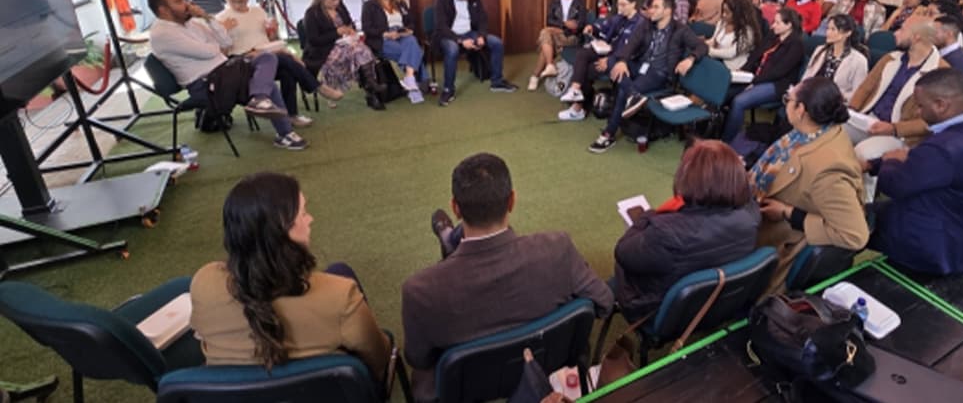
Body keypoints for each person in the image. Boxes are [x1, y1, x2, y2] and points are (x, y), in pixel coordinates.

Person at [405, 154, 613, 402]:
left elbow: (419, 358)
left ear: (455, 208)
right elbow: (604, 301)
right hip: (541, 364)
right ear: (512, 200)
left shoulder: (420, 290)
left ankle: (452, 242)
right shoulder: (558, 249)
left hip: (467, 386)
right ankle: (452, 241)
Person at [189, 173, 390, 384]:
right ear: (282, 233)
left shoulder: (203, 282)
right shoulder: (340, 297)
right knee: (340, 271)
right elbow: (380, 359)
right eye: (303, 214)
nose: (310, 219)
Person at [864, 69, 963, 275]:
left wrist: (889, 161)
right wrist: (876, 164)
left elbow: (894, 185)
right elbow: (921, 165)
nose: (917, 112)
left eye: (920, 105)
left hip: (936, 244)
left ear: (941, 105)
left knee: (848, 220)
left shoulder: (946, 148)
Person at [614, 140, 761, 321]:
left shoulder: (664, 233)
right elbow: (746, 196)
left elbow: (622, 252)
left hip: (661, 311)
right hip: (719, 304)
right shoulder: (752, 216)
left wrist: (648, 216)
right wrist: (732, 170)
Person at [147, 0, 307, 150]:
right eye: (179, 2)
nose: (187, 4)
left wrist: (207, 18)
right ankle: (282, 129)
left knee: (268, 57)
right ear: (163, 10)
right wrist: (214, 47)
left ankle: (261, 101)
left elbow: (225, 41)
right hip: (206, 84)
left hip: (225, 72)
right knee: (268, 83)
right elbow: (207, 52)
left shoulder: (191, 23)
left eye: (184, 0)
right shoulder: (162, 33)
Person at [753, 77, 869, 294]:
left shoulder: (827, 170)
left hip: (780, 238)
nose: (785, 103)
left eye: (788, 99)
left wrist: (789, 213)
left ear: (801, 110)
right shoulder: (815, 131)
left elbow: (855, 235)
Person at [588, 0, 707, 153]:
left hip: (660, 73)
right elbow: (630, 45)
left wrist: (690, 59)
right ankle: (634, 95)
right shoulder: (646, 25)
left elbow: (702, 47)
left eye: (656, 7)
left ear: (668, 10)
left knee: (623, 91)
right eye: (651, 7)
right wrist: (622, 61)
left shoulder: (680, 30)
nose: (651, 11)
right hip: (640, 66)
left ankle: (608, 134)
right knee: (611, 62)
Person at [217, 0, 342, 126]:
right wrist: (223, 32)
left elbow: (271, 40)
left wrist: (273, 32)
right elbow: (221, 54)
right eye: (232, 1)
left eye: (241, 1)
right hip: (242, 63)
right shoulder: (220, 19)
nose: (236, 5)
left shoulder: (258, 12)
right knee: (285, 60)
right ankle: (318, 87)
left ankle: (291, 114)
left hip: (268, 55)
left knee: (287, 70)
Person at [846, 18, 947, 200]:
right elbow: (865, 88)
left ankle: (863, 208)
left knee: (864, 153)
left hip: (901, 135)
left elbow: (932, 121)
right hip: (869, 120)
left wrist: (893, 128)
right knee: (828, 130)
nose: (895, 33)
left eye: (901, 30)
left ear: (916, 37)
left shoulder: (940, 72)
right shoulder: (890, 58)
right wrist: (851, 112)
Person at [721, 8, 807, 142]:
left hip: (778, 84)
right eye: (774, 22)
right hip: (757, 77)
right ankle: (717, 130)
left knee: (739, 101)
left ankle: (727, 142)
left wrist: (754, 82)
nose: (773, 26)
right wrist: (743, 70)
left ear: (789, 25)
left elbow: (779, 71)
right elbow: (756, 54)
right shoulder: (773, 36)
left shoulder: (797, 44)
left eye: (778, 23)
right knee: (724, 92)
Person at [434, 0, 518, 106]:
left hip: (469, 32)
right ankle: (448, 89)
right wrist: (460, 40)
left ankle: (497, 82)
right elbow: (441, 27)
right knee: (453, 50)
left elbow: (482, 19)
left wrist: (481, 35)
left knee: (497, 43)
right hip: (449, 35)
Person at [557, 0, 644, 121]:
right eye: (618, 5)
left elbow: (631, 51)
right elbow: (603, 27)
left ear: (633, 4)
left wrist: (609, 61)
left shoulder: (640, 24)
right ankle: (575, 90)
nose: (620, 8)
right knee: (582, 54)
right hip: (607, 51)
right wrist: (592, 28)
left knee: (585, 70)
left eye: (623, 5)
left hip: (622, 61)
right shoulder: (619, 18)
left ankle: (577, 108)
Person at [302, 0, 386, 110]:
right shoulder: (312, 13)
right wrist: (336, 32)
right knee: (359, 52)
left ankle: (370, 87)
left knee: (360, 50)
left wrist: (350, 30)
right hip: (323, 50)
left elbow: (349, 22)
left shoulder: (340, 7)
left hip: (345, 44)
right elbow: (314, 40)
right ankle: (370, 88)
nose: (336, 2)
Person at [361, 0, 425, 104]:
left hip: (400, 34)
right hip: (382, 38)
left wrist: (408, 30)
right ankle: (417, 81)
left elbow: (410, 21)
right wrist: (385, 34)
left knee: (412, 41)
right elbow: (367, 29)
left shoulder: (400, 3)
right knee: (413, 51)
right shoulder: (370, 5)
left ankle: (409, 78)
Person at [529, 0, 588, 90]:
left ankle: (537, 74)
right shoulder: (555, 1)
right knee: (547, 34)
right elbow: (549, 20)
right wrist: (565, 24)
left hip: (572, 37)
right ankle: (548, 66)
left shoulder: (579, 3)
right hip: (557, 33)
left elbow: (580, 25)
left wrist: (563, 28)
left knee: (545, 34)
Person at [801, 14, 870, 100]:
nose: (828, 33)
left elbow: (857, 93)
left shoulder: (859, 60)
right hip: (811, 97)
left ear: (848, 33)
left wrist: (837, 97)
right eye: (828, 28)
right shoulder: (820, 50)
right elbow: (807, 76)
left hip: (834, 103)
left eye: (833, 29)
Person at [707, 0, 761, 72]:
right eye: (723, 11)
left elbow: (731, 53)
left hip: (733, 67)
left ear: (737, 13)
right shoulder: (722, 23)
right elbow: (713, 40)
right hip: (717, 61)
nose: (724, 15)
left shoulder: (747, 32)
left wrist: (708, 51)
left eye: (727, 12)